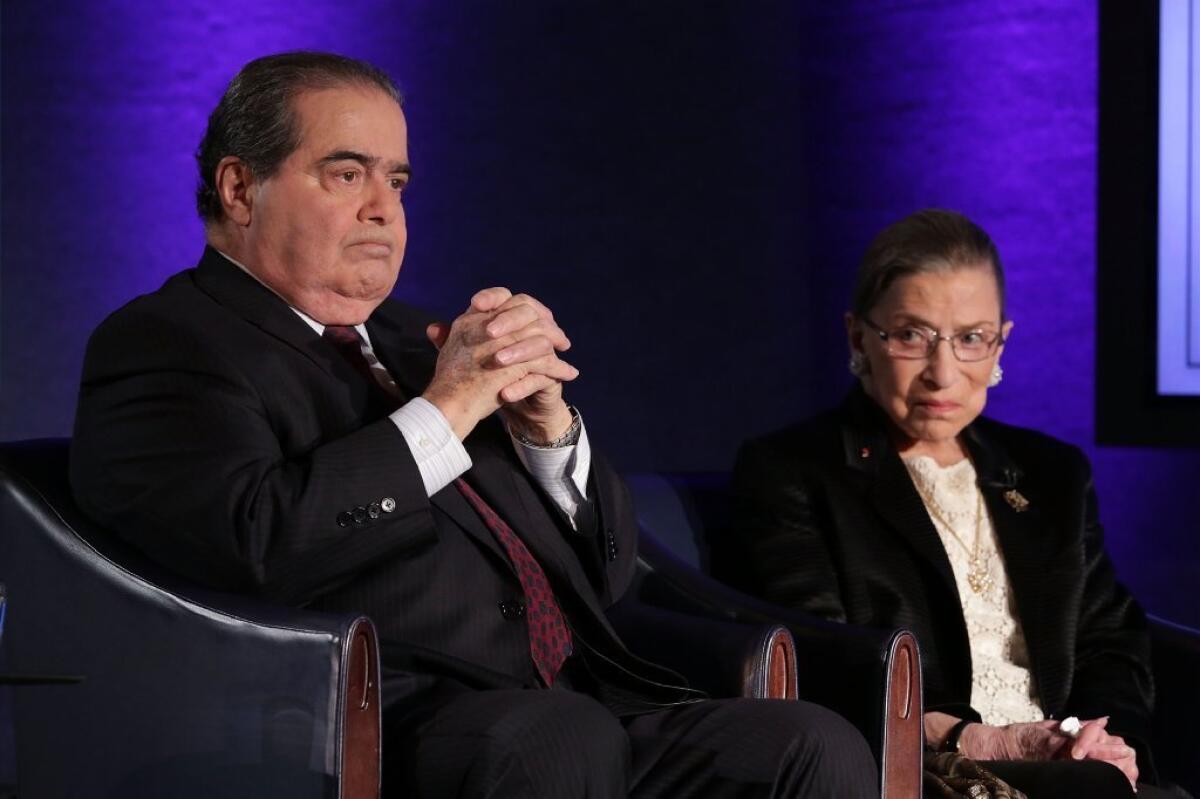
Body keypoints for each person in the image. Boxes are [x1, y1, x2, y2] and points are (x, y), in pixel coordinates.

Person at [69, 51, 876, 798]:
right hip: (377, 714)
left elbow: (607, 573)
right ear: (241, 189)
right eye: (346, 173)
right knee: (559, 741)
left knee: (808, 743)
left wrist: (545, 433)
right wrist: (449, 408)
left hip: (573, 697)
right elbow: (250, 543)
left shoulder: (417, 340)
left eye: (398, 180)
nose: (384, 209)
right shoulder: (169, 343)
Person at [731, 209, 1171, 798]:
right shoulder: (793, 471)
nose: (942, 374)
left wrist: (1107, 742)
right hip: (923, 768)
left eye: (970, 339)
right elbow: (821, 660)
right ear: (859, 337)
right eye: (912, 334)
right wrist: (976, 738)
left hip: (1073, 764)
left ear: (1000, 345)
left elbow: (1109, 639)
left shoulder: (1052, 473)